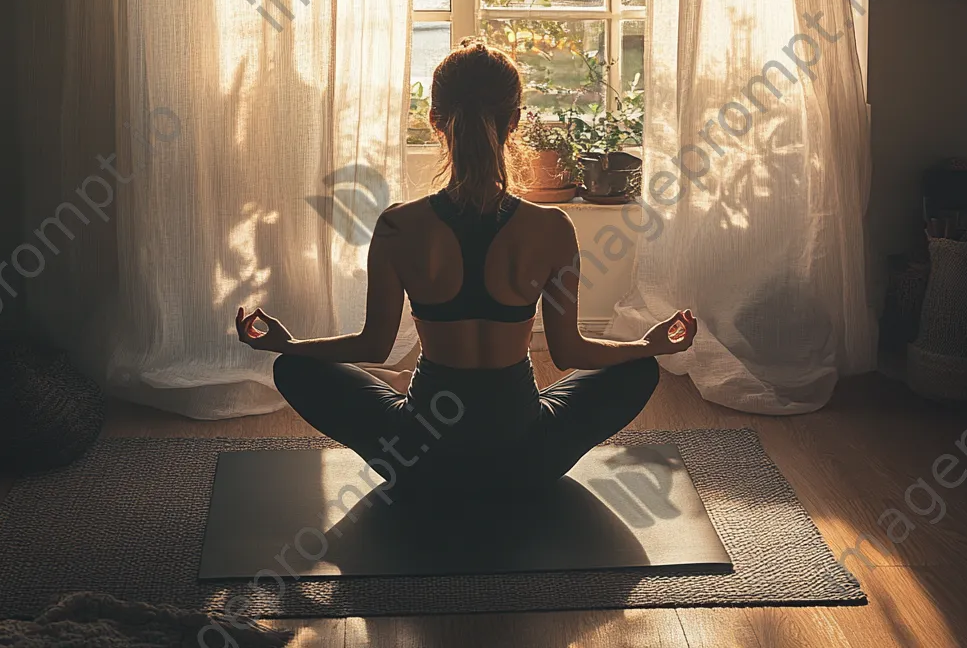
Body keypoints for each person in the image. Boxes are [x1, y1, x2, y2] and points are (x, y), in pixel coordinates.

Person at [235, 39, 696, 496]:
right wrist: (645, 343)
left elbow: (372, 345)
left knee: (293, 369)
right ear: (514, 122)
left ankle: (413, 425)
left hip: (417, 459)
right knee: (640, 369)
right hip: (526, 459)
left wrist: (289, 344)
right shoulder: (552, 228)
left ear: (435, 120)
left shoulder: (399, 225)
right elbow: (570, 354)